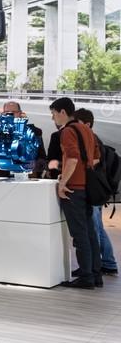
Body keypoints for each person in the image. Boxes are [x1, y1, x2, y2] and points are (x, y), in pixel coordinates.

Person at [50, 97, 102, 289]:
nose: (53, 118)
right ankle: (95, 274)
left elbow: (71, 159)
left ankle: (86, 277)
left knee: (79, 234)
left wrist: (63, 183)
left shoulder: (67, 132)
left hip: (74, 188)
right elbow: (96, 157)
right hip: (87, 187)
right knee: (89, 233)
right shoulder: (87, 129)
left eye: (54, 113)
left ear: (63, 112)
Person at [74, 108, 118, 276]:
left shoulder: (91, 140)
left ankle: (98, 265)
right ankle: (107, 262)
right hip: (98, 190)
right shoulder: (93, 139)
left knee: (94, 228)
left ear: (87, 124)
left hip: (93, 190)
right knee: (97, 228)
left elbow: (92, 163)